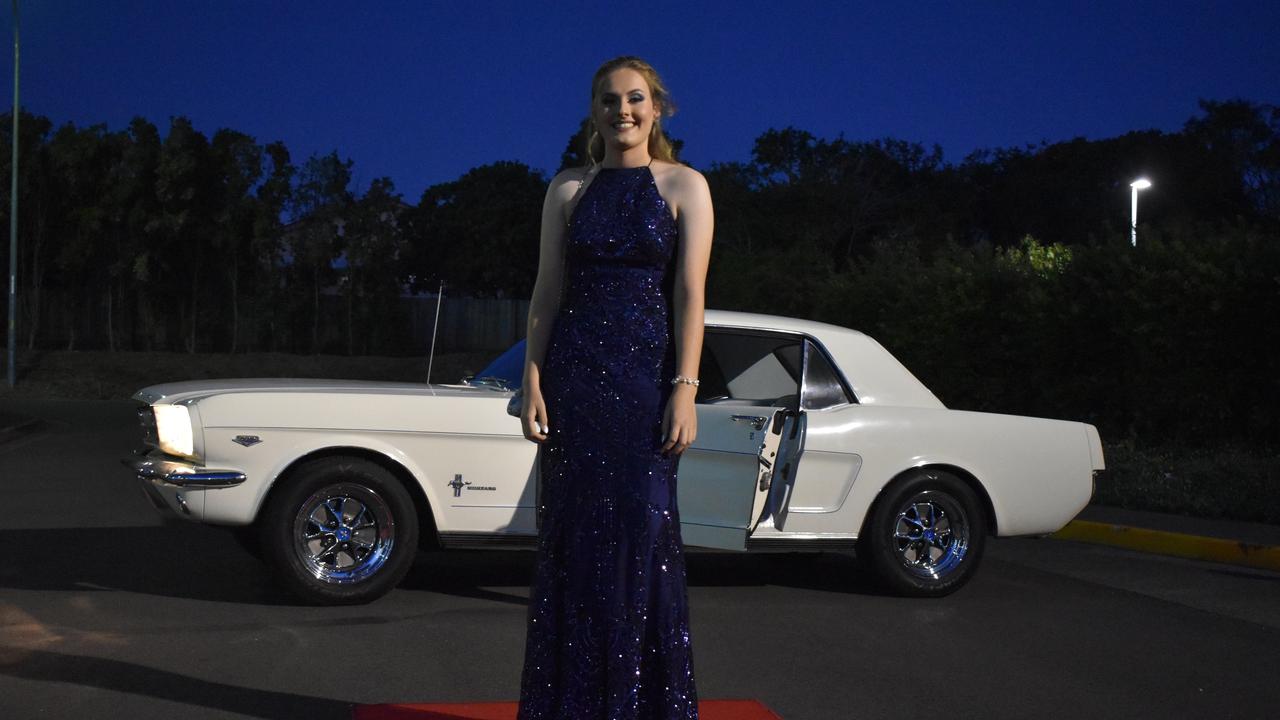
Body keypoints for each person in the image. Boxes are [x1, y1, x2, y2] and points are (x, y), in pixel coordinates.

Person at [515, 55, 714, 719]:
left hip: (644, 392)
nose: (621, 111)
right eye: (609, 100)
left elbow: (690, 295)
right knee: (573, 547)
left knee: (641, 545)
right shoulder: (568, 190)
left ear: (656, 107)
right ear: (593, 111)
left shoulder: (685, 186)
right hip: (575, 386)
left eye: (634, 99)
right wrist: (533, 377)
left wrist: (684, 387)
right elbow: (547, 293)